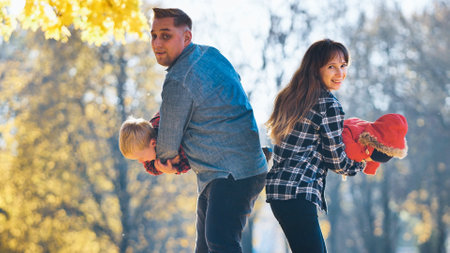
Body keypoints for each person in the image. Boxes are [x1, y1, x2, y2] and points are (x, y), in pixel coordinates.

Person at [150, 8, 268, 253]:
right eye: (153, 35)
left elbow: (167, 146)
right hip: (229, 171)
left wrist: (160, 161)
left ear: (187, 37)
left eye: (165, 35)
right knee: (205, 248)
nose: (157, 43)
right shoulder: (211, 55)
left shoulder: (178, 79)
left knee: (220, 242)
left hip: (231, 173)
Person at [265, 39, 366, 253]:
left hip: (278, 192)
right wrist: (363, 161)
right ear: (316, 68)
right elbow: (336, 159)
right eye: (331, 66)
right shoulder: (329, 104)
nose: (340, 73)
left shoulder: (290, 97)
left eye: (343, 65)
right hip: (299, 191)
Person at [119, 112, 190, 175]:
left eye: (141, 157)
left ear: (153, 143)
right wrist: (159, 167)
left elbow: (190, 162)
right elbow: (150, 168)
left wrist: (174, 168)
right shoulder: (146, 141)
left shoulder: (171, 140)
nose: (140, 161)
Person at [343, 113, 408, 175]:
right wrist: (358, 159)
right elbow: (350, 149)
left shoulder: (376, 145)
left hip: (356, 122)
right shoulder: (360, 147)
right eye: (370, 159)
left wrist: (370, 169)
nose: (366, 160)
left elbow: (375, 157)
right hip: (346, 128)